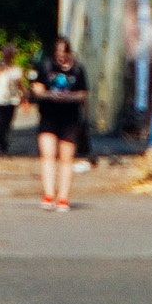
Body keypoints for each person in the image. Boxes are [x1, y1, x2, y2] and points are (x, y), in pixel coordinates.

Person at [31, 37, 89, 209]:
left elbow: (83, 94)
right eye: (58, 54)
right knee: (47, 155)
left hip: (70, 117)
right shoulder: (46, 66)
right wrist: (51, 95)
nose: (60, 58)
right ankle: (48, 195)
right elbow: (37, 89)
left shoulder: (78, 69)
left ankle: (63, 197)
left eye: (64, 54)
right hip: (48, 115)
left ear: (70, 53)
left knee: (66, 159)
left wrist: (69, 97)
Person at [0, 46, 26, 155]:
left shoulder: (16, 70)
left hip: (12, 100)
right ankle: (1, 141)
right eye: (6, 54)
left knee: (7, 123)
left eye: (10, 54)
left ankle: (4, 145)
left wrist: (24, 98)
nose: (8, 56)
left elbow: (20, 85)